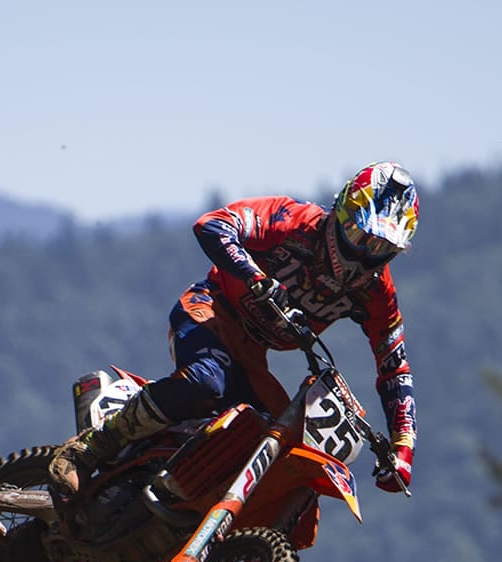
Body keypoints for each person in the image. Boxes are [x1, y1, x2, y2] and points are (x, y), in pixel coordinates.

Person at [45, 162, 420, 516]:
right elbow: (213, 224)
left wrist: (403, 447)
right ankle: (88, 449)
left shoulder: (376, 292)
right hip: (210, 312)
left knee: (283, 454)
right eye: (358, 236)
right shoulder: (293, 221)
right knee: (207, 382)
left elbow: (394, 367)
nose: (362, 256)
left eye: (380, 249)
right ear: (339, 214)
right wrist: (255, 277)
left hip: (250, 355)